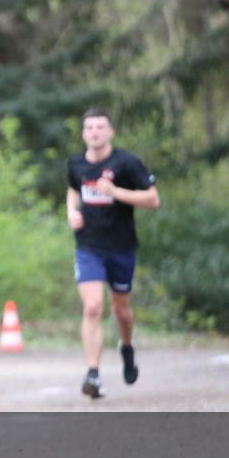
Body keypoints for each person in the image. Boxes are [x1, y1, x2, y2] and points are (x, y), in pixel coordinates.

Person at [66, 109, 160, 399]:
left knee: (121, 309)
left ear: (110, 132)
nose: (94, 132)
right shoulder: (76, 163)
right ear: (83, 134)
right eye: (89, 128)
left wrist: (116, 192)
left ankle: (126, 347)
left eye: (100, 127)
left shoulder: (127, 162)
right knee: (93, 306)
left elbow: (153, 199)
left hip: (121, 246)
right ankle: (93, 373)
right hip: (88, 247)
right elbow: (72, 190)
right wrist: (71, 212)